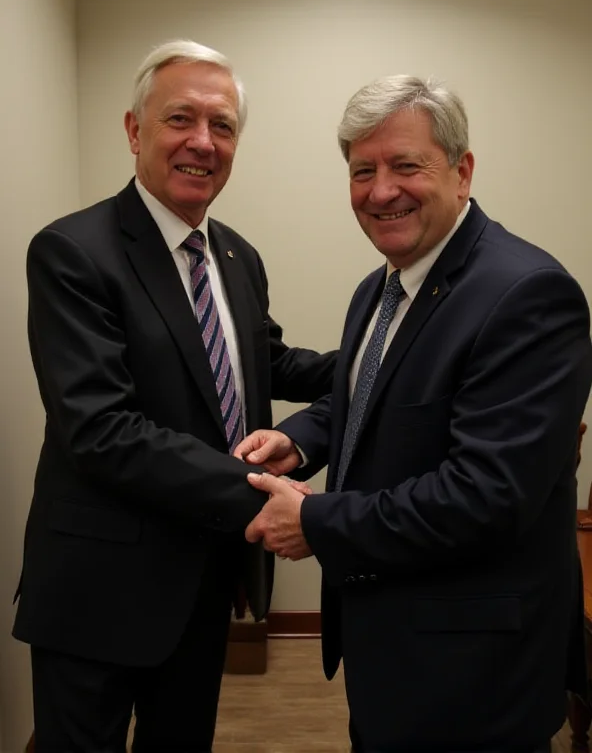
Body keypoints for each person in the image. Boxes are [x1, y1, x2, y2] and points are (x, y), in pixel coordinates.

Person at [235, 75, 592, 753]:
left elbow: (486, 497)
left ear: (462, 173)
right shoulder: (383, 284)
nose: (380, 190)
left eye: (406, 165)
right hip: (394, 651)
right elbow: (366, 394)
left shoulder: (527, 294)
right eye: (362, 170)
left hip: (476, 676)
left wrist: (314, 519)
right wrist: (299, 440)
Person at [13, 39, 336, 752]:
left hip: (203, 576)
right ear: (134, 131)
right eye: (180, 120)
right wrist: (263, 495)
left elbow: (263, 361)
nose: (203, 142)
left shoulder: (235, 255)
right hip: (99, 587)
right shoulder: (74, 252)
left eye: (222, 127)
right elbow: (102, 430)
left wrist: (385, 360)